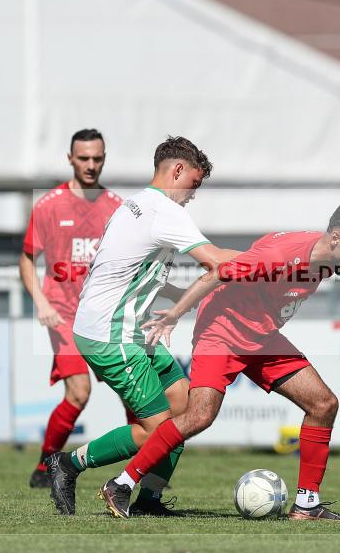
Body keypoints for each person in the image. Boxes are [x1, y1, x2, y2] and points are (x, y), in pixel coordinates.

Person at [99, 202, 340, 521]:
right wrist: (176, 314)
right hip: (221, 332)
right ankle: (120, 485)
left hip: (261, 337)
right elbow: (219, 271)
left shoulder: (326, 259)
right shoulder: (285, 256)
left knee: (323, 404)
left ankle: (306, 505)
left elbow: (255, 248)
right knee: (199, 416)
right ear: (335, 237)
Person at [46, 136, 236, 516]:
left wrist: (180, 293)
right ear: (177, 170)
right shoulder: (164, 211)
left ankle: (149, 500)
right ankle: (68, 464)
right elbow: (216, 262)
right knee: (159, 430)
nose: (193, 196)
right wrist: (277, 260)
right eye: (194, 185)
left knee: (184, 408)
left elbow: (131, 272)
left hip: (125, 330)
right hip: (111, 333)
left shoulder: (134, 204)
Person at [20, 128, 132, 489]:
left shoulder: (117, 207)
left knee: (133, 389)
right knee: (79, 393)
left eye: (97, 159)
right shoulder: (49, 205)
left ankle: (141, 467)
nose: (91, 165)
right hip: (64, 315)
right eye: (83, 158)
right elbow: (26, 259)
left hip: (105, 315)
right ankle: (44, 466)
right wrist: (40, 302)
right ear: (70, 159)